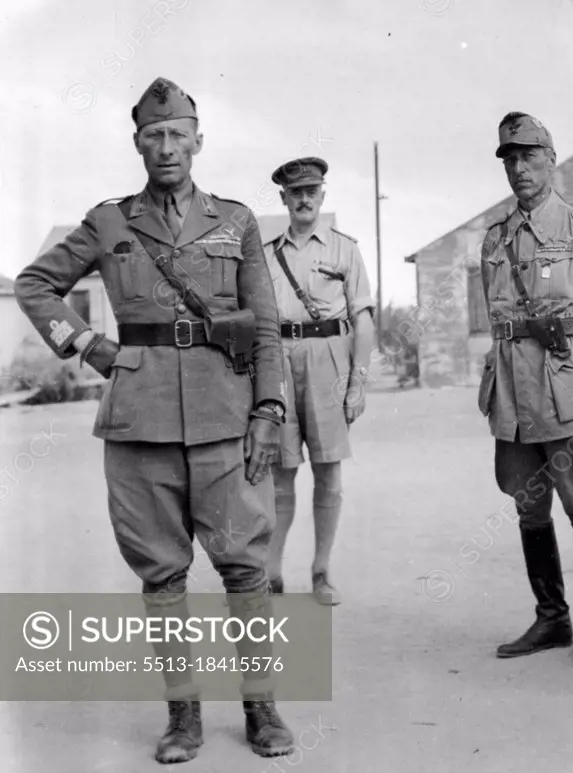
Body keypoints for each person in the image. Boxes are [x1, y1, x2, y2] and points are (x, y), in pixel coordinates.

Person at [13, 77, 295, 763]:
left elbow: (263, 324)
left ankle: (262, 710)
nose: (166, 147)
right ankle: (183, 718)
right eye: (152, 135)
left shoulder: (236, 220)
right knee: (161, 573)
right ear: (137, 142)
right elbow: (33, 283)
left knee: (245, 566)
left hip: (226, 417)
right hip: (138, 421)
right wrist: (89, 345)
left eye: (177, 135)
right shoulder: (110, 221)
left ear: (199, 141)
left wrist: (269, 408)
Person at [478, 112, 573, 668]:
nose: (519, 169)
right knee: (528, 507)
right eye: (510, 159)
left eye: (529, 157)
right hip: (512, 391)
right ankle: (552, 618)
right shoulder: (495, 238)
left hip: (565, 387)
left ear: (551, 159)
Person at [262, 157, 375, 606]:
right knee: (279, 472)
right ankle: (270, 573)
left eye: (312, 190)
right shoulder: (267, 254)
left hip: (331, 358)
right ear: (284, 199)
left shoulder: (345, 249)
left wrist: (358, 383)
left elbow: (363, 321)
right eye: (296, 192)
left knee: (328, 471)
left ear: (323, 195)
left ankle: (321, 571)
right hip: (280, 360)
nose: (304, 198)